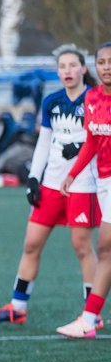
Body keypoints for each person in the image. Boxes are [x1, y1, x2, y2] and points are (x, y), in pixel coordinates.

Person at [0, 45, 99, 324]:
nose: (68, 71)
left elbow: (101, 140)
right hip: (50, 185)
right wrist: (34, 178)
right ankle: (17, 307)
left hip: (83, 184)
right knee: (31, 244)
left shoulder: (97, 100)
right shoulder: (51, 102)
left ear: (84, 69)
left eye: (73, 65)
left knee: (82, 247)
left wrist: (81, 148)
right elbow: (44, 142)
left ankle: (91, 314)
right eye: (62, 67)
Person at [58, 42, 111, 338]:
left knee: (105, 247)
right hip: (103, 181)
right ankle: (90, 319)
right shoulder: (92, 97)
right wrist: (72, 174)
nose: (107, 66)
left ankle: (89, 319)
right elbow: (91, 142)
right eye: (102, 62)